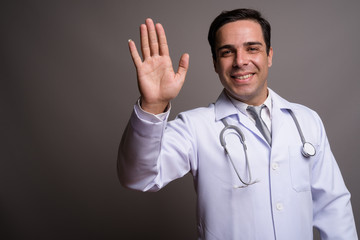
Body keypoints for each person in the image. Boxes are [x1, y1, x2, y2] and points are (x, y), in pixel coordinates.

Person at [118, 8, 358, 239]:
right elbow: (138, 177)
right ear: (215, 63)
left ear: (269, 55)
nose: (240, 61)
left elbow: (333, 206)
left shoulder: (306, 120)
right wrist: (153, 105)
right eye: (226, 52)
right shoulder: (195, 126)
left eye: (252, 48)